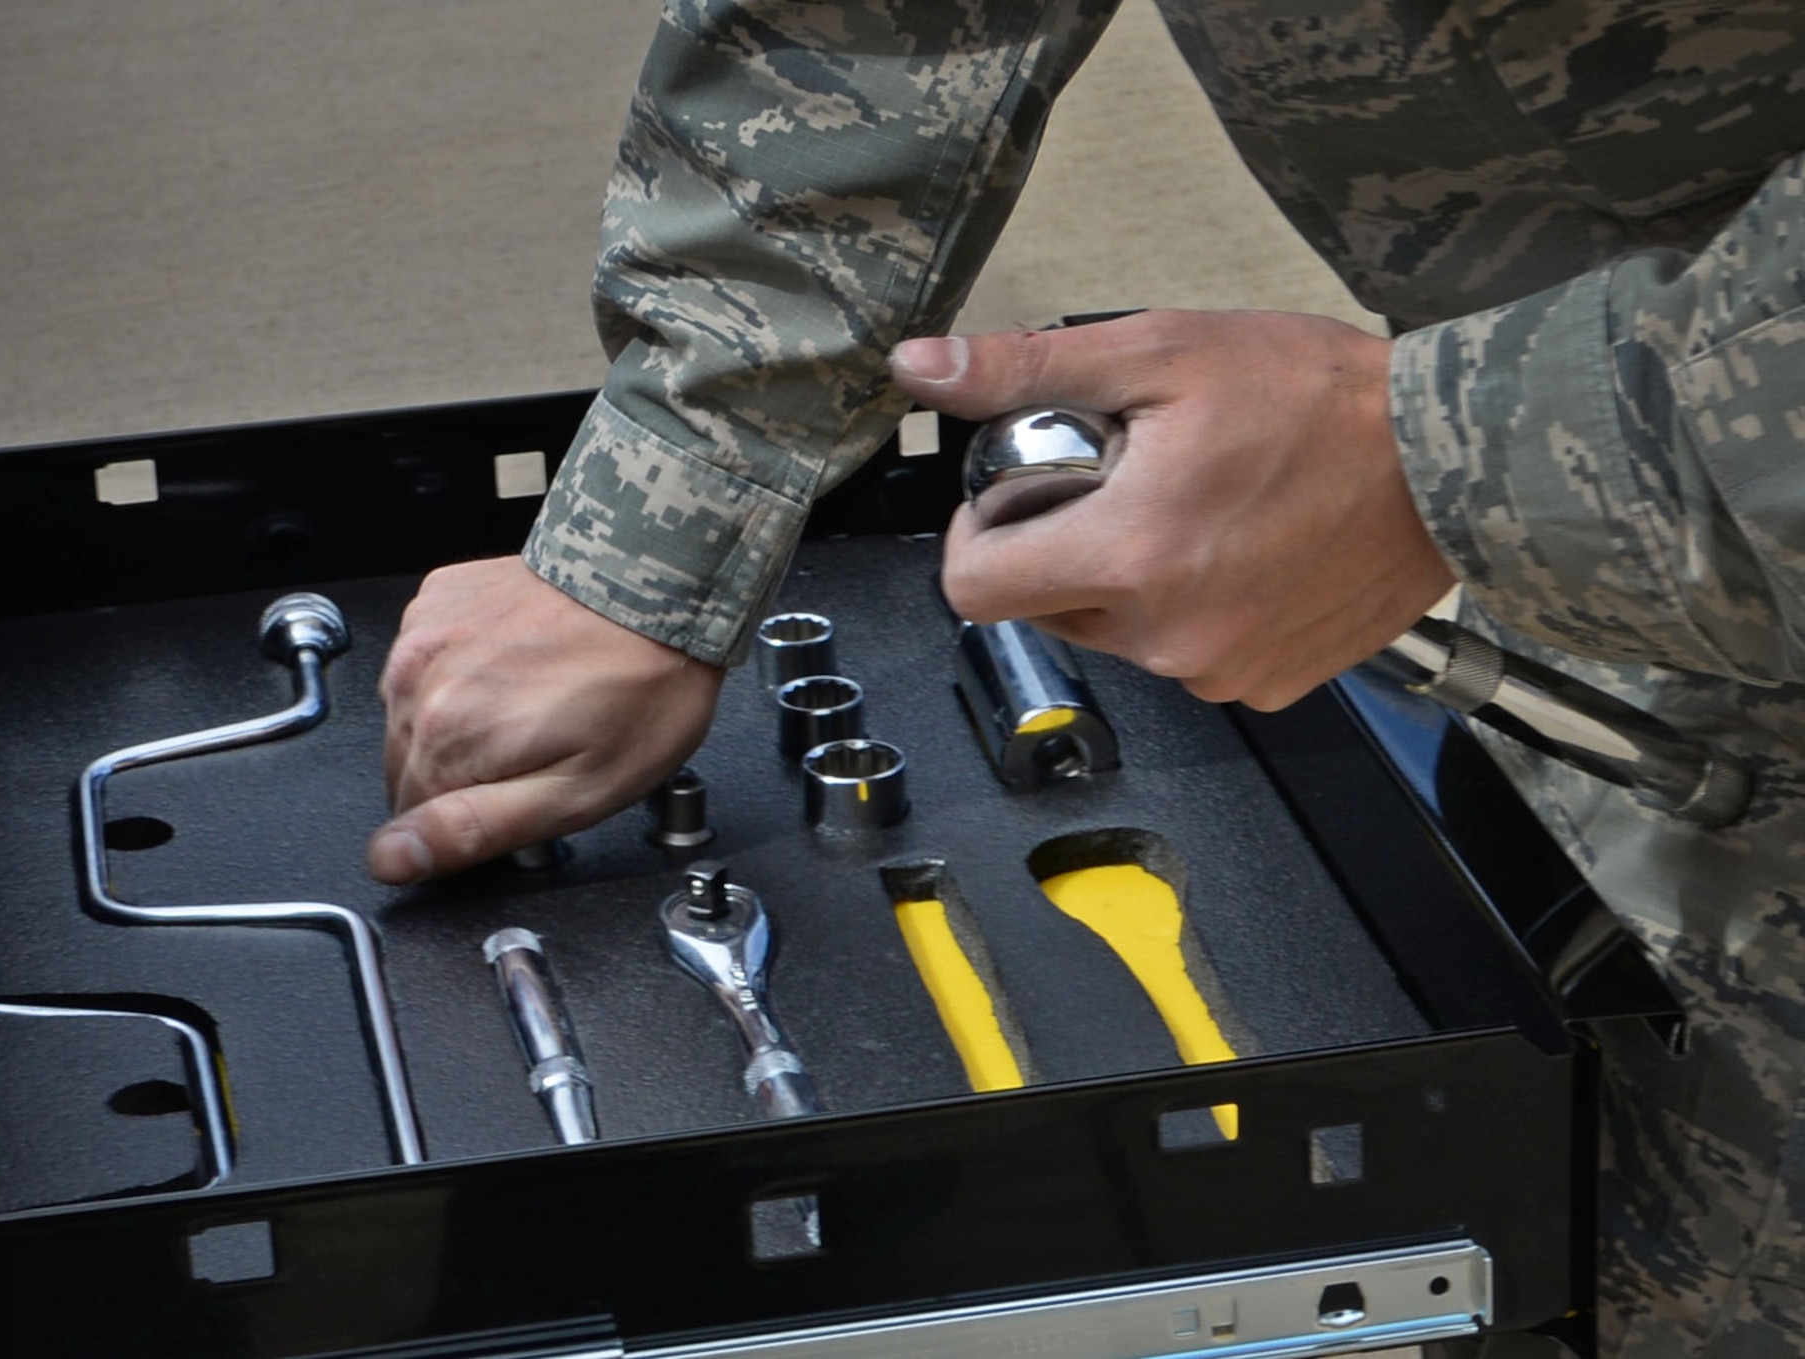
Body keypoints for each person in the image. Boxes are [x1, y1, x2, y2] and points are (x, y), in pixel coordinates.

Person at [372, 3, 1805, 1352]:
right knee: (1598, 1181)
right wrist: (665, 512)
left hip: (1684, 447)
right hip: (1640, 529)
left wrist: (1458, 454)